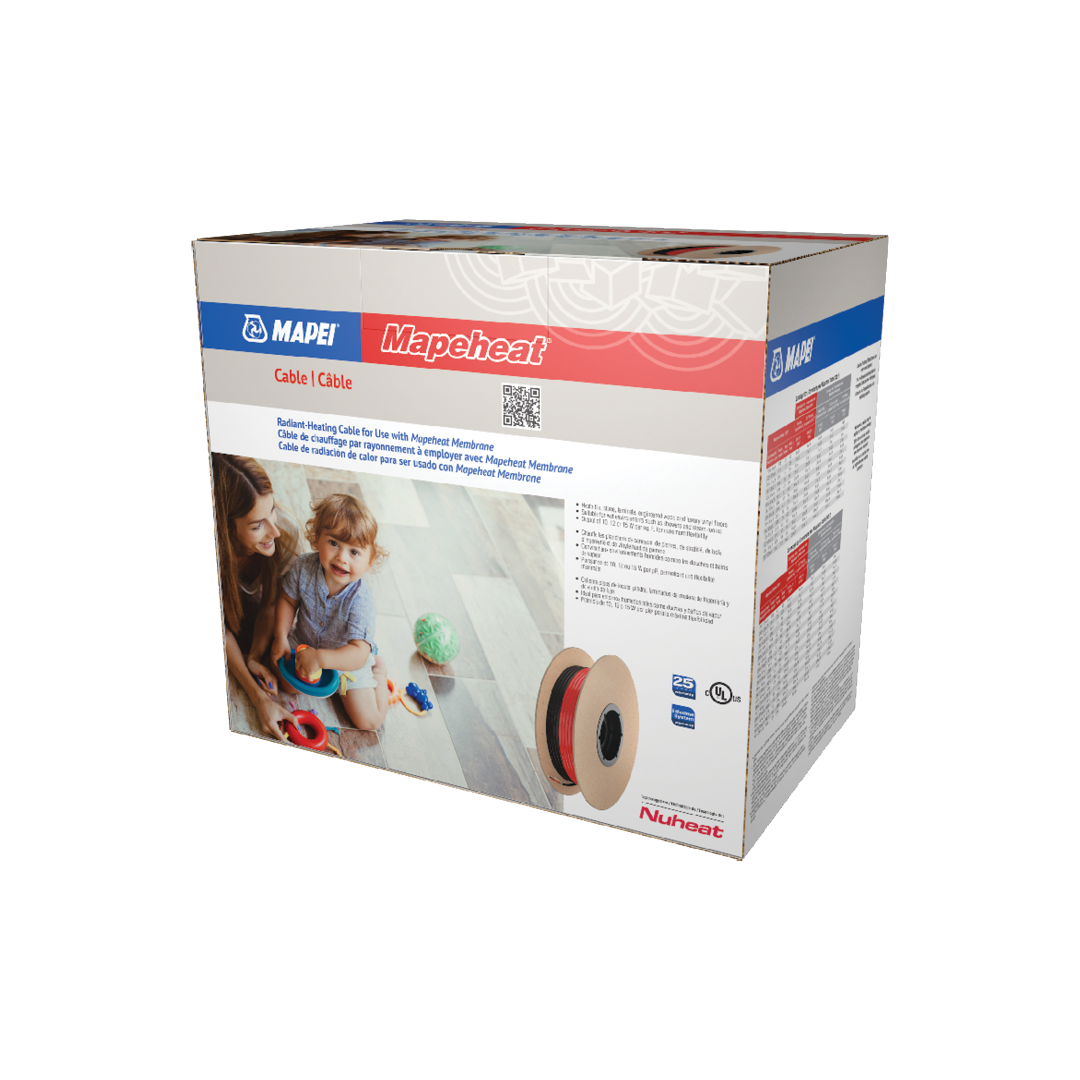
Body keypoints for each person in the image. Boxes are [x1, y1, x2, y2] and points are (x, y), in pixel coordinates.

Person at [272, 493, 391, 731]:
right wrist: (281, 636)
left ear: (369, 561)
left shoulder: (361, 601)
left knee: (369, 721)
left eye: (354, 552)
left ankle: (379, 668)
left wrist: (320, 659)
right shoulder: (304, 567)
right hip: (304, 643)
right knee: (284, 682)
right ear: (317, 538)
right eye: (334, 543)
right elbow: (287, 600)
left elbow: (358, 653)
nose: (341, 558)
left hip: (348, 662)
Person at [212, 454, 299, 741]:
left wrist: (253, 656)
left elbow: (271, 602)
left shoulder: (285, 531)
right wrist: (259, 699)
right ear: (227, 529)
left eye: (271, 510)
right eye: (256, 525)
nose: (274, 531)